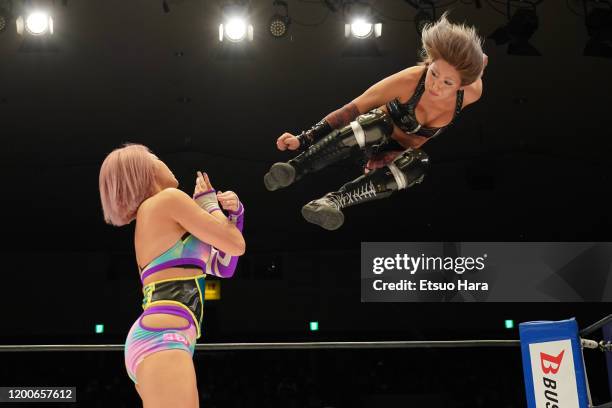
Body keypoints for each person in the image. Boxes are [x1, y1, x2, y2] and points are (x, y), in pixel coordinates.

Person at [264, 12, 487, 230]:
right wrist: (304, 139)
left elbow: (481, 64)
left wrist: (477, 58)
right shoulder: (409, 81)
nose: (436, 85)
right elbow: (352, 109)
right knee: (379, 123)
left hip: (390, 159)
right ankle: (295, 168)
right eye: (434, 73)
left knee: (420, 163)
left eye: (447, 82)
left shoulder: (472, 92)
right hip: (364, 136)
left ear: (462, 85)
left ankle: (331, 203)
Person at [99, 144, 245, 407]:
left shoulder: (156, 213)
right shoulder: (168, 199)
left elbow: (224, 265)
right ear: (146, 169)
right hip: (163, 339)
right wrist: (211, 205)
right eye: (155, 156)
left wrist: (234, 216)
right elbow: (236, 245)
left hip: (162, 337)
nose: (163, 161)